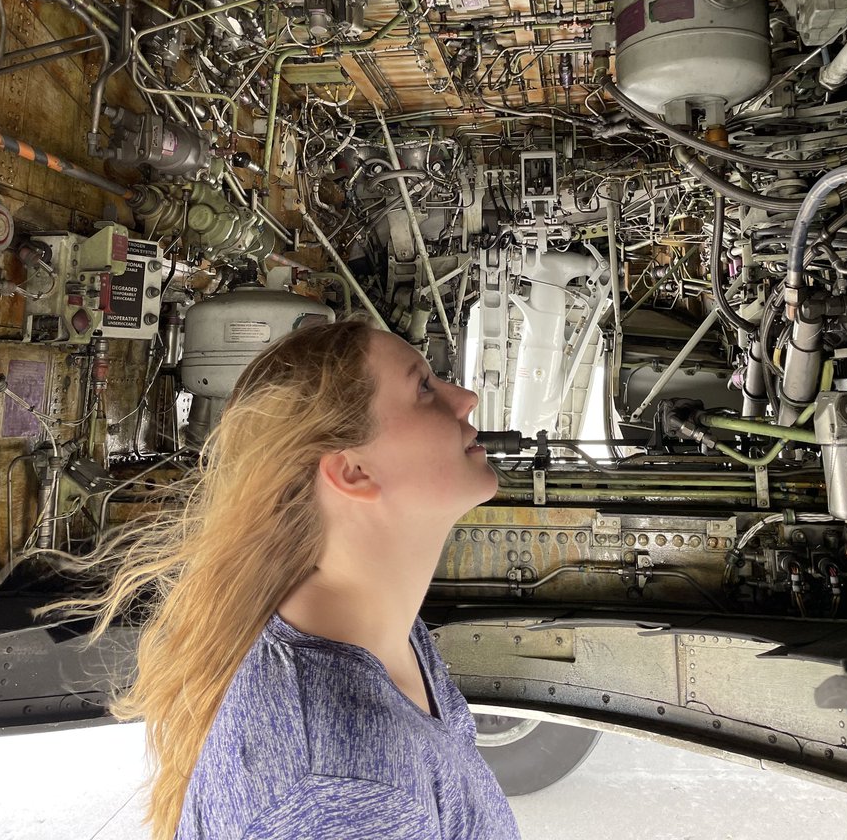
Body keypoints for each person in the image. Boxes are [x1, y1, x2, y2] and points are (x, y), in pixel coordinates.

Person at [51, 316, 522, 840]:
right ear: (353, 473)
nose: (466, 397)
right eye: (424, 388)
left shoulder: (381, 629)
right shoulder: (343, 791)